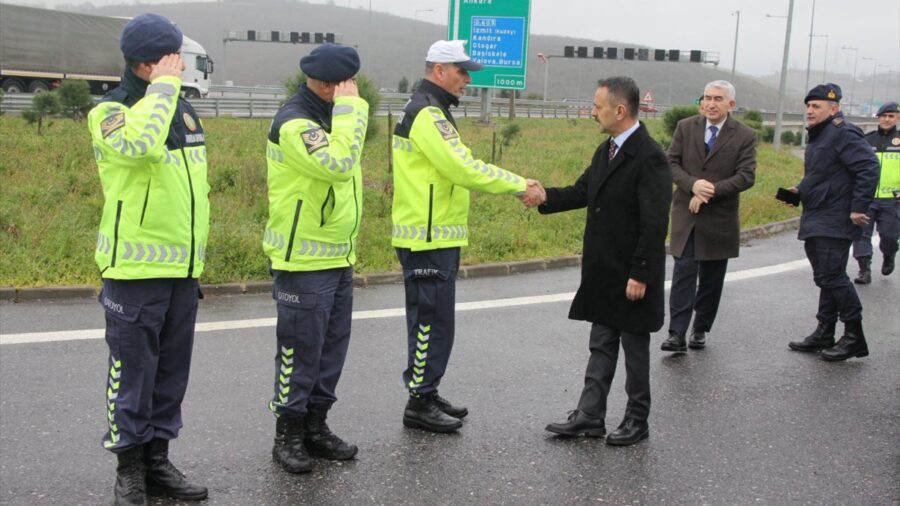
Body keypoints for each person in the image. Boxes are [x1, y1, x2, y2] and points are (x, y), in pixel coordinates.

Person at [87, 13, 209, 505]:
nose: (180, 66)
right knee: (132, 374)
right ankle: (129, 468)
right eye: (171, 58)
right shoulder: (110, 112)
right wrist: (162, 91)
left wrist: (167, 94)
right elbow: (138, 145)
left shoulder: (182, 110)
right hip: (134, 271)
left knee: (170, 375)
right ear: (146, 63)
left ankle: (158, 461)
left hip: (183, 269)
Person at [391, 40, 542, 433]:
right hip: (426, 238)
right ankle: (419, 401)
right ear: (439, 70)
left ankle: (427, 390)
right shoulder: (426, 112)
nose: (467, 79)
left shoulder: (433, 108)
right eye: (461, 71)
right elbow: (463, 168)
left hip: (436, 234)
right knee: (429, 323)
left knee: (438, 321)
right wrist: (517, 183)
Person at [532, 77, 672, 446]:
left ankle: (636, 420)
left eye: (598, 107)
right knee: (601, 344)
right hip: (605, 271)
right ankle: (590, 416)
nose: (592, 112)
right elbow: (582, 191)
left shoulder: (650, 157)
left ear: (620, 110)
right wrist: (544, 196)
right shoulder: (606, 149)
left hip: (631, 273)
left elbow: (654, 222)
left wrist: (641, 273)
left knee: (635, 350)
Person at [263, 44, 368, 473]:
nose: (354, 91)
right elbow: (339, 164)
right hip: (301, 259)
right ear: (330, 86)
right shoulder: (295, 122)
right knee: (299, 351)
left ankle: (316, 426)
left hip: (336, 254)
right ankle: (287, 434)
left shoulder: (329, 117)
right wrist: (351, 111)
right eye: (348, 85)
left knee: (330, 349)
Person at [661, 81, 757, 352]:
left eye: (718, 99)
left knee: (712, 279)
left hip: (719, 219)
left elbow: (746, 175)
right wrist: (692, 184)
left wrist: (710, 190)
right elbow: (670, 164)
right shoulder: (685, 127)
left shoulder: (745, 135)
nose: (711, 104)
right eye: (707, 98)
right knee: (684, 272)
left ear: (731, 105)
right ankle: (676, 333)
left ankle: (700, 328)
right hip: (686, 215)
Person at [786, 84, 879, 361]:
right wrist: (800, 189)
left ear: (834, 109)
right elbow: (823, 174)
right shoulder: (822, 135)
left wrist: (858, 207)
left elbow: (869, 166)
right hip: (818, 213)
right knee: (826, 277)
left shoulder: (842, 133)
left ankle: (854, 337)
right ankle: (824, 331)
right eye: (808, 106)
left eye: (816, 107)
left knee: (832, 276)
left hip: (835, 216)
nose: (809, 111)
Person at [851, 101, 899, 283]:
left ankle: (889, 254)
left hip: (892, 199)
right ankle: (864, 269)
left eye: (891, 116)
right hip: (866, 198)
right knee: (861, 234)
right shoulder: (867, 140)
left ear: (897, 118)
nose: (886, 119)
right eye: (884, 116)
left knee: (890, 236)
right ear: (878, 118)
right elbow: (855, 166)